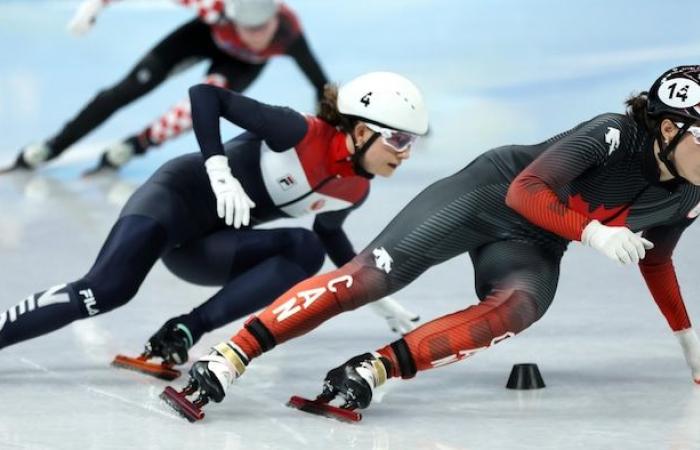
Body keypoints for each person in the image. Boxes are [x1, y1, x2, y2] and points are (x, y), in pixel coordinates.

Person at [177, 65, 700, 414]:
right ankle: (230, 356)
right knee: (368, 279)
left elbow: (658, 261)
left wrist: (687, 341)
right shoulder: (613, 134)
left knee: (521, 307)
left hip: (537, 240)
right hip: (489, 193)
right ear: (669, 129)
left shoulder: (687, 195)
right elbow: (525, 190)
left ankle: (372, 369)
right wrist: (593, 232)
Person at [0, 71, 429, 368]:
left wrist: (379, 299)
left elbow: (333, 240)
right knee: (103, 291)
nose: (404, 152)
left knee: (307, 249)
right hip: (173, 202)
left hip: (207, 250)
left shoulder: (355, 188)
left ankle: (186, 329)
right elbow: (205, 95)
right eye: (398, 138)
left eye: (411, 141)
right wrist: (220, 173)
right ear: (359, 131)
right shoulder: (299, 132)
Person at [2, 0, 328, 174]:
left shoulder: (289, 35)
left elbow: (320, 85)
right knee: (127, 89)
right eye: (249, 28)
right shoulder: (214, 8)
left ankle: (133, 146)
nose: (257, 36)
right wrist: (94, 6)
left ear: (276, 16)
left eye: (263, 28)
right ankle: (52, 146)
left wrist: (321, 141)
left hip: (239, 66)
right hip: (203, 36)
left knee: (195, 113)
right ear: (231, 16)